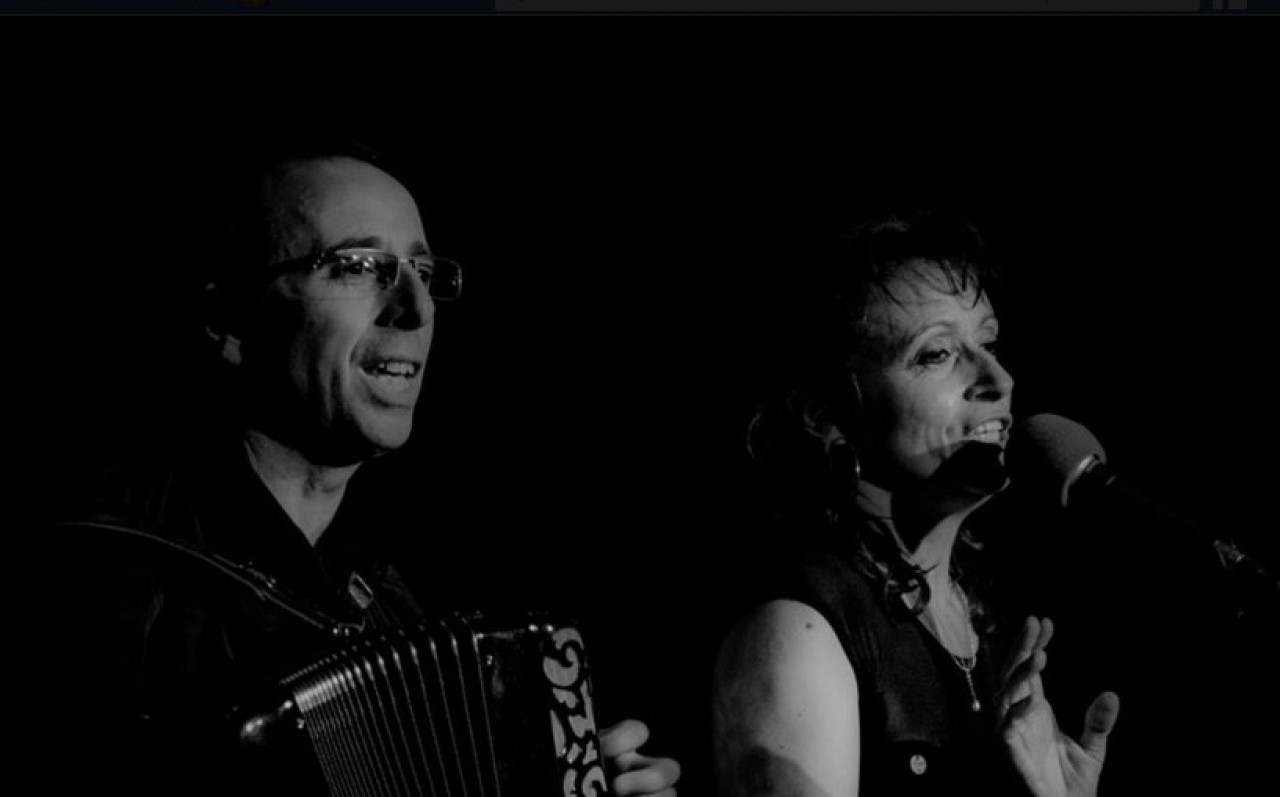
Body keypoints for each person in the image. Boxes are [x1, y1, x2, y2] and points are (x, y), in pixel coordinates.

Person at [33, 139, 680, 797]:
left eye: (423, 271)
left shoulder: (392, 609)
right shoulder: (87, 567)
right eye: (359, 265)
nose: (416, 308)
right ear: (229, 321)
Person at [710, 211, 1119, 796]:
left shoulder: (989, 625)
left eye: (988, 343)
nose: (998, 379)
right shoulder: (802, 627)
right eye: (936, 354)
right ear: (830, 416)